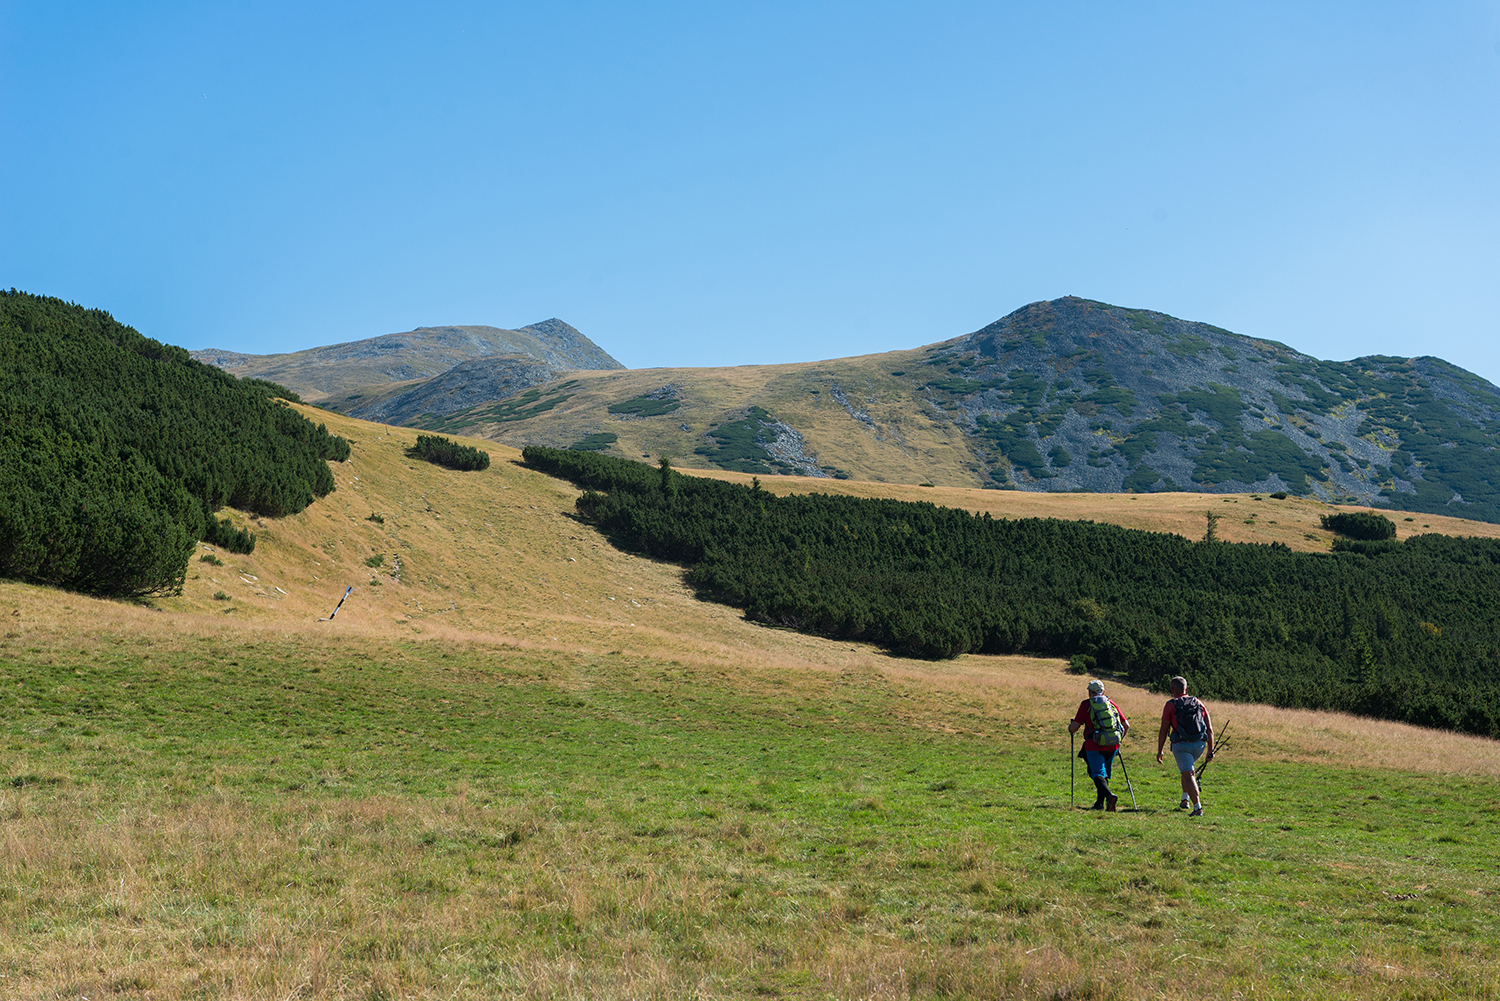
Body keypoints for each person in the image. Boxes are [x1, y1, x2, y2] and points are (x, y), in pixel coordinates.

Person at [1156, 675, 1214, 816]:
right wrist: (1210, 751)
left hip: (1181, 745)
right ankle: (1184, 800)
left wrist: (1160, 751)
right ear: (1186, 688)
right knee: (1187, 770)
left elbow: (1164, 731)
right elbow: (1210, 729)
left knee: (1188, 775)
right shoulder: (1198, 703)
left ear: (1172, 689)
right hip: (1199, 745)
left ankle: (1197, 808)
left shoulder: (1170, 705)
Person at [1069, 679, 1130, 811]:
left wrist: (1070, 727)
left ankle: (1109, 796)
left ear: (1090, 692)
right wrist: (1118, 742)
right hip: (1112, 745)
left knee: (1097, 773)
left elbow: (1075, 727)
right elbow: (1126, 725)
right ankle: (1099, 804)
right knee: (1104, 774)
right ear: (1103, 691)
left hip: (1094, 745)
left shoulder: (1086, 705)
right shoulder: (1110, 703)